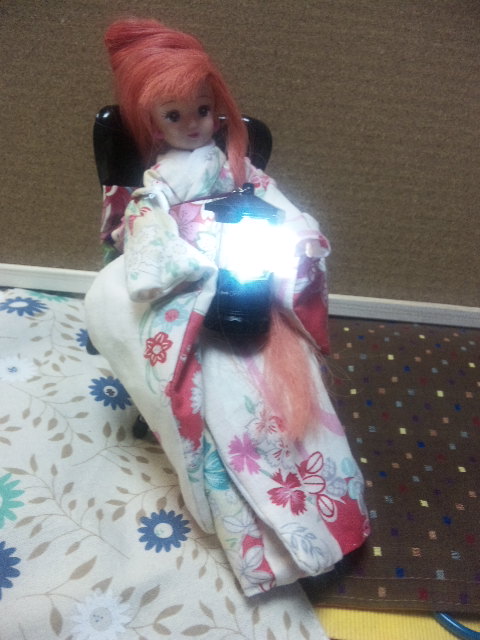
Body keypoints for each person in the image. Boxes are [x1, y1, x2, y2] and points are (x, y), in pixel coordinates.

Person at [85, 17, 369, 596]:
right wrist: (182, 264)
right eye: (174, 116)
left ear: (218, 109)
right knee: (226, 411)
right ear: (153, 123)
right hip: (196, 302)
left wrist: (298, 232)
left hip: (250, 283)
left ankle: (331, 515)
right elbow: (144, 229)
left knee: (297, 391)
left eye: (203, 110)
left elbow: (278, 203)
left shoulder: (239, 169)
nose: (193, 125)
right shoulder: (158, 183)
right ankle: (268, 546)